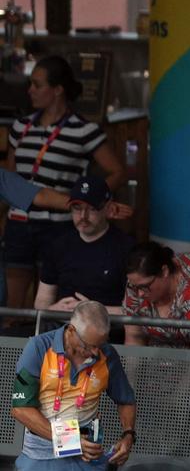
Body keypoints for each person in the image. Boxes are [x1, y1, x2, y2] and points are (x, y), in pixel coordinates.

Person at [10, 301, 135, 471]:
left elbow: (126, 399)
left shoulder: (106, 354)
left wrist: (128, 434)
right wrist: (70, 442)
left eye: (99, 345)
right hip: (41, 460)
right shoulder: (38, 348)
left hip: (87, 464)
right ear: (70, 330)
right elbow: (20, 409)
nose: (94, 352)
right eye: (89, 345)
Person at [5, 55, 124, 310]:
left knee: (51, 301)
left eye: (37, 85)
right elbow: (11, 177)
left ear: (58, 89)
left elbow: (117, 171)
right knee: (13, 304)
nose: (30, 91)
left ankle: (50, 348)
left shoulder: (84, 130)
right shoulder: (20, 126)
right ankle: (16, 347)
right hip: (19, 222)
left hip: (58, 225)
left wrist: (93, 202)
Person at [35, 175, 134, 314]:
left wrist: (94, 310)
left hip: (108, 328)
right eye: (77, 208)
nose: (83, 216)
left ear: (108, 208)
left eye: (92, 208)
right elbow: (42, 301)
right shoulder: (58, 245)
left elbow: (137, 311)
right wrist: (52, 310)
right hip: (63, 326)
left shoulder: (126, 248)